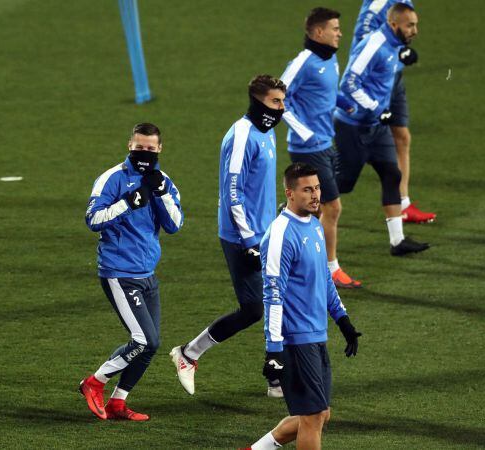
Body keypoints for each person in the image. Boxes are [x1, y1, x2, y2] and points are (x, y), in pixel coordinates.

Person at [169, 74, 287, 397]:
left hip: (264, 232)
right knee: (253, 309)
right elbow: (232, 192)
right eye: (276, 102)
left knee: (280, 298)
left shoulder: (268, 132)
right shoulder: (241, 136)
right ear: (258, 100)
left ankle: (276, 378)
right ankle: (188, 353)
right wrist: (249, 240)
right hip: (241, 238)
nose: (281, 109)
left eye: (282, 102)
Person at [243, 163, 362, 450]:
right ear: (290, 193)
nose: (315, 195)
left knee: (320, 414)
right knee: (311, 417)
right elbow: (272, 294)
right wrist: (274, 348)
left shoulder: (313, 225)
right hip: (294, 340)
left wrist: (342, 319)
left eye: (317, 188)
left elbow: (323, 278)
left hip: (316, 334)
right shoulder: (280, 234)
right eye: (307, 189)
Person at [78, 123, 183, 421]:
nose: (144, 153)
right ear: (129, 145)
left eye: (150, 149)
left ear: (159, 149)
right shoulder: (112, 178)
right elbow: (93, 218)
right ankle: (94, 382)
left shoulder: (164, 181)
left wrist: (159, 193)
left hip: (147, 273)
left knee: (152, 344)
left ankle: (118, 402)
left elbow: (175, 225)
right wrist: (129, 201)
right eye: (139, 147)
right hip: (118, 272)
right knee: (143, 340)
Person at [333, 2, 430, 256]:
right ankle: (292, 207)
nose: (415, 30)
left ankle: (397, 242)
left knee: (391, 174)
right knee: (342, 183)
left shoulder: (393, 44)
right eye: (410, 26)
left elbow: (385, 70)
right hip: (352, 126)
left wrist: (403, 56)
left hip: (377, 127)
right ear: (393, 24)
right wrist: (376, 108)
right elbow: (348, 83)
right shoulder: (373, 44)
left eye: (416, 25)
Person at [280, 7, 361, 289]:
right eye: (335, 29)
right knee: (332, 207)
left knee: (313, 209)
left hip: (327, 143)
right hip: (308, 147)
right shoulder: (304, 61)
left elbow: (325, 92)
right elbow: (279, 97)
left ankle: (282, 237)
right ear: (318, 32)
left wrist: (344, 102)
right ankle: (331, 269)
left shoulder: (330, 58)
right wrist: (303, 130)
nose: (340, 33)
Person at [349, 0, 436, 223]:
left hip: (392, 78)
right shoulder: (378, 5)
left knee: (402, 137)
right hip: (373, 83)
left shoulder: (404, 1)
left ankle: (403, 203)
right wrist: (398, 55)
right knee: (350, 156)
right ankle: (306, 195)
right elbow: (364, 42)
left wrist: (402, 51)